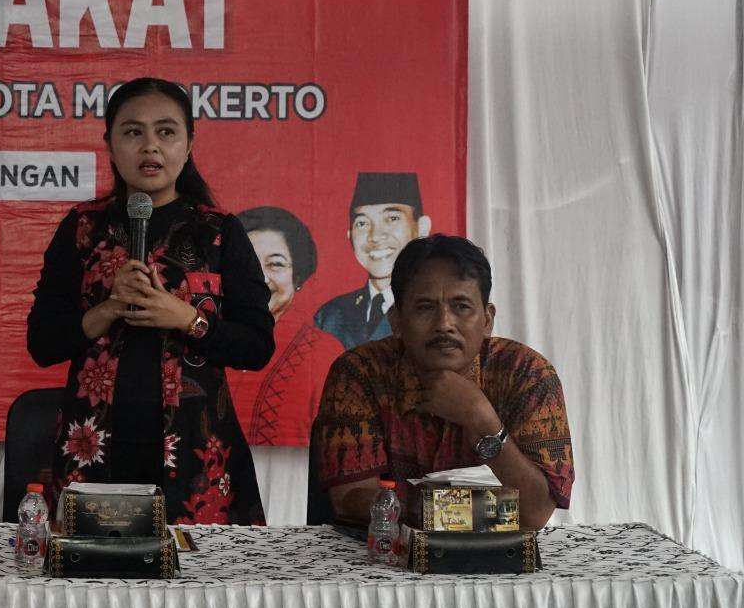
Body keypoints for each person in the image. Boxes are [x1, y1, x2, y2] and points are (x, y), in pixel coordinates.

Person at [27, 77, 275, 525]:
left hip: (195, 454)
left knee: (196, 571)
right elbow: (42, 343)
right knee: (90, 567)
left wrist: (186, 318)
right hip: (93, 449)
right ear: (110, 144)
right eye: (133, 132)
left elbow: (256, 346)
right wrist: (107, 309)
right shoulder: (83, 228)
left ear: (189, 143)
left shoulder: (219, 233)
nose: (150, 146)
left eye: (166, 131)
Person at [312, 234, 574, 530]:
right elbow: (351, 500)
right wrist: (477, 510)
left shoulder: (528, 374)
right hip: (382, 554)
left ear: (487, 320)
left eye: (461, 306)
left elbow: (534, 514)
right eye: (425, 307)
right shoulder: (359, 373)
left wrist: (482, 419)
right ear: (396, 320)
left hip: (497, 556)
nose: (444, 324)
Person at [227, 206, 346, 446]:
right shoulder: (209, 338)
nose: (261, 278)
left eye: (276, 264)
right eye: (248, 263)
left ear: (298, 277)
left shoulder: (323, 352)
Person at [313, 171, 431, 349]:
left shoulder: (437, 310)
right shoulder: (331, 315)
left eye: (392, 218)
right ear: (350, 236)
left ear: (422, 228)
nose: (375, 236)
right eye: (362, 223)